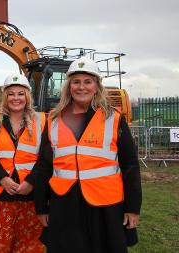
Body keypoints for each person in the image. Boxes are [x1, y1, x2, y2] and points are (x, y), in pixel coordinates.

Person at [34, 57, 142, 253]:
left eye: (88, 82)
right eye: (76, 82)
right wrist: (41, 207)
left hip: (105, 206)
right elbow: (44, 166)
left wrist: (132, 207)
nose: (81, 87)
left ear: (97, 86)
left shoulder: (114, 119)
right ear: (69, 87)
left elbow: (130, 165)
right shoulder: (53, 120)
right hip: (64, 205)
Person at [0, 73, 46, 252]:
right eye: (11, 94)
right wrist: (3, 179)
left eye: (20, 93)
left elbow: (47, 156)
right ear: (5, 97)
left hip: (32, 194)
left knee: (29, 244)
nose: (16, 98)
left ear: (27, 97)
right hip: (2, 193)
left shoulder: (42, 121)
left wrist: (31, 182)